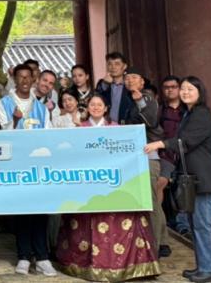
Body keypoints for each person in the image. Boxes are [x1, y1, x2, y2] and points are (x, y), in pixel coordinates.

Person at [57, 94, 160, 282]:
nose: (96, 107)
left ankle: (122, 264)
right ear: (87, 108)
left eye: (100, 105)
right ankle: (85, 264)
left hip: (113, 185)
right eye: (92, 104)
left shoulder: (117, 130)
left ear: (106, 109)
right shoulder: (79, 130)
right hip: (88, 186)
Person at [145, 77, 211, 283]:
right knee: (195, 223)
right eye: (184, 89)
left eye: (191, 89)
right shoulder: (189, 113)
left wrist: (159, 144)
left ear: (200, 92)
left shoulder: (201, 113)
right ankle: (203, 266)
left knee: (205, 223)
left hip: (204, 177)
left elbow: (186, 141)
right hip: (191, 177)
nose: (186, 92)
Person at [0, 64, 56, 277]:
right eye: (20, 77)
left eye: (27, 77)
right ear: (14, 79)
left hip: (38, 166)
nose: (24, 81)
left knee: (40, 210)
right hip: (16, 165)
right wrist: (14, 121)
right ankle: (23, 256)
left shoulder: (41, 108)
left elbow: (49, 135)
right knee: (22, 210)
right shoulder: (3, 104)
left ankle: (42, 258)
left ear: (33, 80)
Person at [122, 67, 168, 258]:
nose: (130, 80)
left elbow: (151, 121)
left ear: (142, 82)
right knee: (144, 202)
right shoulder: (128, 100)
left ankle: (155, 247)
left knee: (151, 202)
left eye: (134, 77)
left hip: (148, 157)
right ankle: (157, 242)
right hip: (133, 157)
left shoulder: (147, 98)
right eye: (127, 78)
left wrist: (139, 100)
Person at [157, 76, 187, 236]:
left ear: (179, 88)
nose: (170, 90)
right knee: (160, 182)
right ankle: (159, 222)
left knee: (185, 187)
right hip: (166, 154)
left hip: (185, 155)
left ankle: (183, 225)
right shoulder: (160, 110)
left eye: (173, 86)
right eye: (166, 87)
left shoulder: (187, 109)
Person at [96, 52, 132, 125]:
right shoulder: (102, 83)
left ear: (124, 66)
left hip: (126, 125)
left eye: (117, 64)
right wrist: (105, 83)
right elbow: (96, 99)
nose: (113, 67)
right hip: (106, 125)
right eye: (110, 64)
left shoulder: (129, 84)